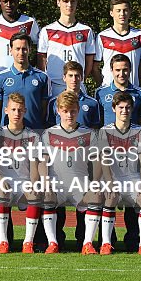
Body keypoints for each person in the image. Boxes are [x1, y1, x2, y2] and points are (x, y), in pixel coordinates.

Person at [89, 91, 141, 255]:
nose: (124, 111)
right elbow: (103, 160)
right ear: (114, 109)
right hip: (112, 177)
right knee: (109, 197)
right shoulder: (105, 131)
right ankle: (106, 243)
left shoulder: (139, 131)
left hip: (132, 177)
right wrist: (109, 182)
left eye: (127, 108)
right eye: (121, 108)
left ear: (132, 109)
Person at [41, 92, 95, 253]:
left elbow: (97, 163)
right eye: (65, 111)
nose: (69, 115)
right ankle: (53, 243)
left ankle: (87, 243)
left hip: (80, 183)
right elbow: (42, 162)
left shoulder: (89, 134)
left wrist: (95, 185)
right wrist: (45, 182)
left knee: (95, 197)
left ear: (78, 110)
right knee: (46, 197)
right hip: (58, 184)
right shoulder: (48, 133)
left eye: (72, 111)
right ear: (58, 111)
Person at [0, 93, 41, 253]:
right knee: (2, 191)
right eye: (13, 109)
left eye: (20, 110)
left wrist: (34, 183)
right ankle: (3, 241)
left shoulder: (33, 136)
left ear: (25, 111)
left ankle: (27, 242)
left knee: (35, 194)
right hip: (4, 182)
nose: (17, 113)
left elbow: (35, 167)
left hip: (24, 182)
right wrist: (0, 179)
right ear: (6, 110)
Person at [37, 0, 97, 96]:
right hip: (54, 86)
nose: (69, 5)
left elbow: (89, 62)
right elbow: (42, 60)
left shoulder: (86, 30)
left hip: (77, 86)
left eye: (72, 1)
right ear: (58, 2)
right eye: (65, 1)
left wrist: (79, 79)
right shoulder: (47, 30)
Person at [0, 33, 48, 130]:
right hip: (7, 135)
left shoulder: (42, 77)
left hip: (34, 132)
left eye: (24, 49)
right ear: (11, 50)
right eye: (17, 49)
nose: (21, 53)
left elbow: (44, 109)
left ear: (30, 50)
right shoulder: (1, 77)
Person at [94, 0, 141, 88]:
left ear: (130, 12)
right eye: (118, 11)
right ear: (111, 13)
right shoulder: (102, 36)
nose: (122, 14)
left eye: (125, 10)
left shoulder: (140, 35)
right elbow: (95, 67)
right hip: (109, 91)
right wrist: (102, 86)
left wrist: (136, 83)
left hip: (132, 90)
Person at [96, 54, 141, 126]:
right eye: (118, 70)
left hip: (132, 136)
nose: (121, 74)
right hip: (107, 136)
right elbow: (98, 120)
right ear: (111, 70)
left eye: (125, 70)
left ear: (130, 70)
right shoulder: (100, 92)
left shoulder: (140, 93)